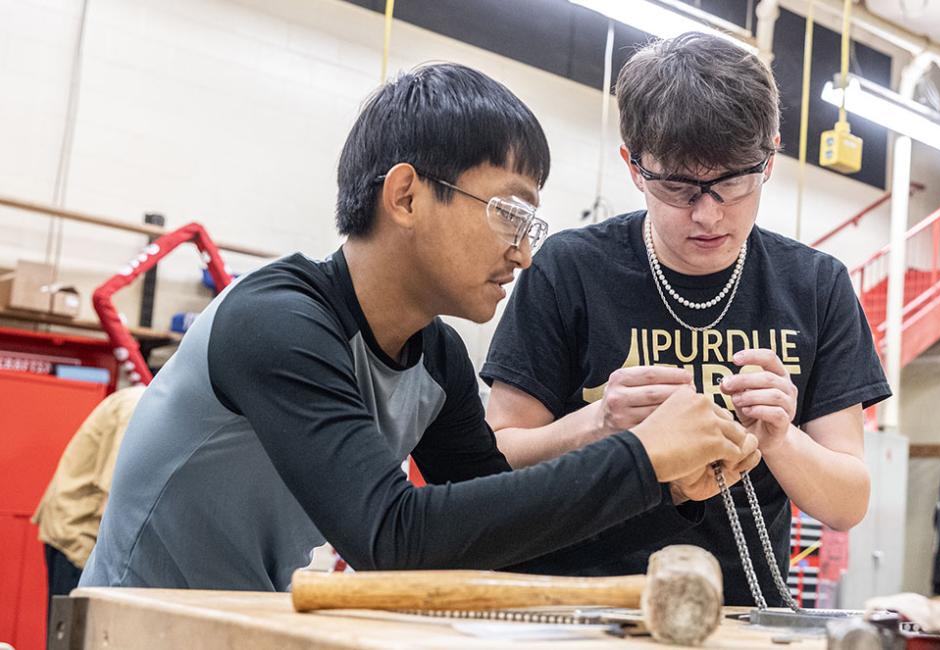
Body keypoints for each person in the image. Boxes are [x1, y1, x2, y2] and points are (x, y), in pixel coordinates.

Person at [80, 63, 759, 591]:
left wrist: (666, 479)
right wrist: (641, 459)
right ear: (405, 195)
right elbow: (393, 537)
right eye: (509, 214)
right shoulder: (276, 322)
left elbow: (493, 522)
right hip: (138, 626)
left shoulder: (436, 357)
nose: (523, 252)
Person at [482, 33, 891, 606]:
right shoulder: (571, 269)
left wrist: (780, 438)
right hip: (582, 609)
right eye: (677, 185)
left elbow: (848, 502)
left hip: (742, 615)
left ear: (769, 158)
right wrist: (598, 422)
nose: (707, 214)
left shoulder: (816, 286)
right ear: (633, 165)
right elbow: (497, 457)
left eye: (731, 182)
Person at [33, 386, 145, 614]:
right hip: (80, 536)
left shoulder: (136, 398)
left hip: (69, 523)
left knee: (65, 632)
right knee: (75, 635)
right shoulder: (137, 407)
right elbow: (114, 499)